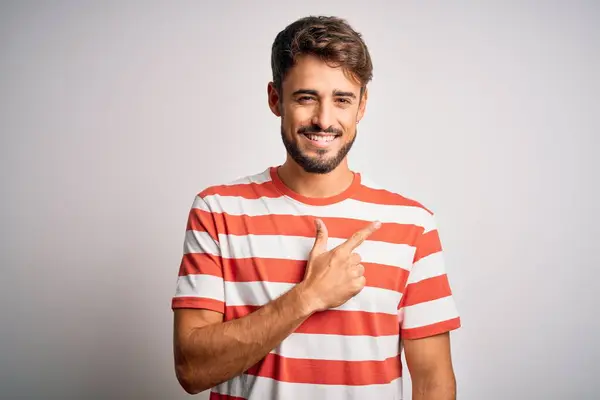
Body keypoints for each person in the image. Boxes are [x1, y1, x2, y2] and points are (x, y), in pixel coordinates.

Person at [172, 15, 461, 400]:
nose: (324, 120)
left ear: (361, 107)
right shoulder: (218, 211)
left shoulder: (412, 225)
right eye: (306, 97)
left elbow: (433, 382)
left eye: (342, 99)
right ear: (276, 99)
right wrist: (309, 296)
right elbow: (192, 370)